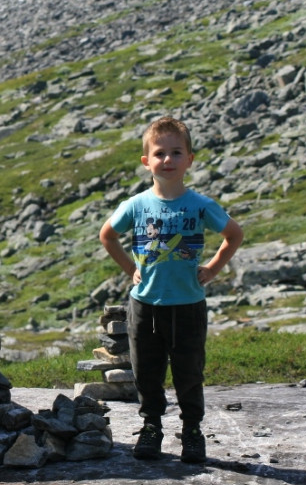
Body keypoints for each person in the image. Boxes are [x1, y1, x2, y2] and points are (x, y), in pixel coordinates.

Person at [98, 116, 243, 463]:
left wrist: (212, 268)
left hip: (188, 305)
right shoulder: (136, 205)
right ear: (146, 161)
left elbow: (233, 235)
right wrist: (131, 269)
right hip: (144, 304)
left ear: (190, 159)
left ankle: (192, 432)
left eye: (176, 152)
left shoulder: (201, 205)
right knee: (146, 372)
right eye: (160, 153)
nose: (168, 160)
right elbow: (108, 235)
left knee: (189, 372)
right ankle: (151, 428)